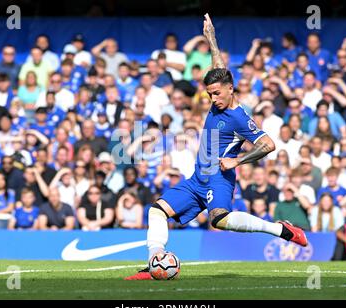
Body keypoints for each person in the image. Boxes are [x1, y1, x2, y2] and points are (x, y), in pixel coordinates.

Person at [126, 14, 308, 280]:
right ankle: (154, 263)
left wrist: (238, 161)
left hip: (219, 179)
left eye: (217, 93)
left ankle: (281, 230)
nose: (212, 98)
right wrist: (210, 37)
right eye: (210, 93)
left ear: (231, 90)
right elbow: (219, 67)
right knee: (156, 210)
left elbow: (268, 144)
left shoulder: (239, 117)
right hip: (197, 178)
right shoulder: (218, 96)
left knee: (220, 220)